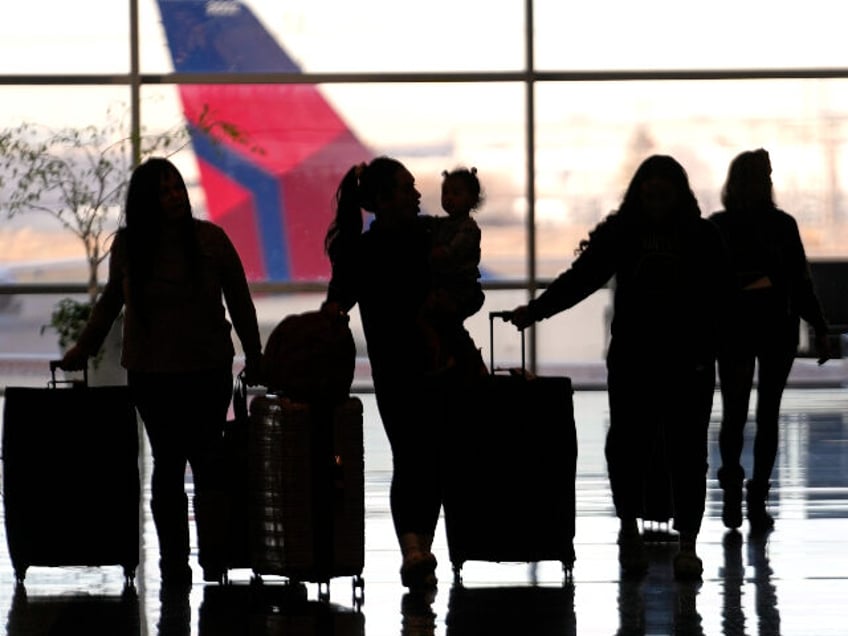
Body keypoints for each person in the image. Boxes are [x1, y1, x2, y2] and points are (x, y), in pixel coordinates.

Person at [507, 155, 735, 580]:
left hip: (637, 356)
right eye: (654, 196)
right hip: (687, 360)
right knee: (687, 452)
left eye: (660, 196)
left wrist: (536, 311)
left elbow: (583, 278)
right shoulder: (702, 235)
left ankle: (630, 529)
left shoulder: (624, 233)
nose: (657, 204)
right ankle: (686, 543)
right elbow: (724, 299)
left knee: (630, 446)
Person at [59, 157, 263, 588]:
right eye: (165, 191)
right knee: (180, 464)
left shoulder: (207, 240)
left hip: (197, 370)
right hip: (161, 373)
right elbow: (112, 301)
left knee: (190, 464)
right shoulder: (139, 246)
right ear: (148, 200)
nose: (175, 197)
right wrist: (85, 347)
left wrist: (255, 353)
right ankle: (193, 558)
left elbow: (241, 302)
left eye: (177, 188)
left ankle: (194, 560)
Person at [322, 156, 481, 590]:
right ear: (384, 199)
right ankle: (420, 547)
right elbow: (472, 292)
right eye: (407, 187)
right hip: (440, 364)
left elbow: (338, 301)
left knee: (410, 458)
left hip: (393, 369)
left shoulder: (361, 251)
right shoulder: (429, 237)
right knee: (433, 459)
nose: (417, 194)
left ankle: (414, 548)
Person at [709, 148, 830, 535]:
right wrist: (820, 327)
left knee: (733, 413)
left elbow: (708, 285)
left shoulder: (718, 226)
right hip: (777, 326)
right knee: (768, 416)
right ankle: (758, 497)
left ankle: (730, 490)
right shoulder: (782, 225)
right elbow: (799, 280)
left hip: (734, 328)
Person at [418, 166, 486, 372]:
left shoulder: (468, 228)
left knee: (438, 319)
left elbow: (454, 251)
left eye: (456, 193)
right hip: (448, 287)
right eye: (445, 192)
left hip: (459, 288)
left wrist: (438, 253)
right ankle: (450, 356)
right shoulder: (442, 224)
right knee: (446, 325)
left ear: (472, 199)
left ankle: (450, 357)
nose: (448, 198)